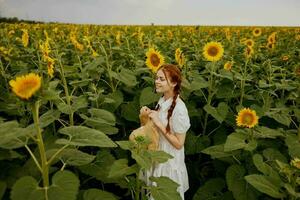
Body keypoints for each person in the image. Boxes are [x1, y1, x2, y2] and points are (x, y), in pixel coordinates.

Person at [141, 64, 191, 200]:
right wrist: (146, 117)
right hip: (158, 154)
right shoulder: (163, 100)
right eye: (156, 78)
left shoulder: (179, 109)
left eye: (162, 79)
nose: (157, 81)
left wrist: (158, 122)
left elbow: (179, 144)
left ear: (174, 83)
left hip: (169, 161)